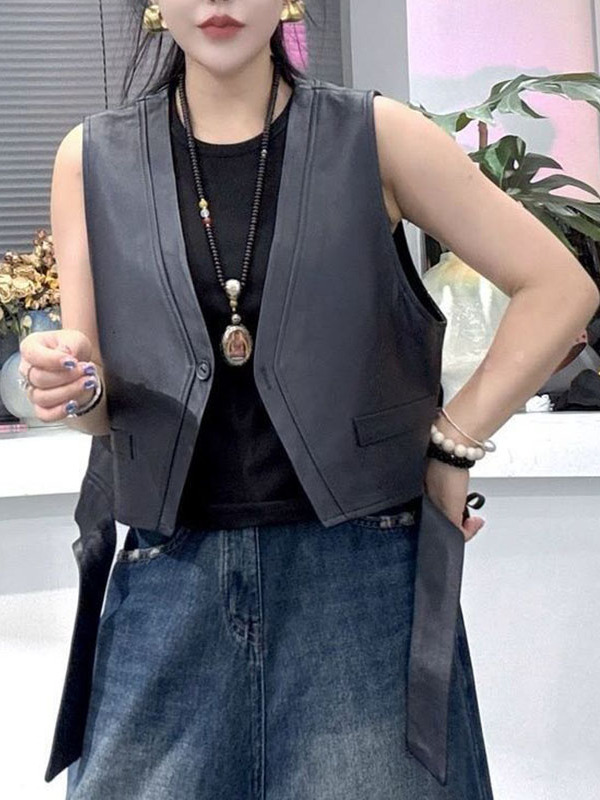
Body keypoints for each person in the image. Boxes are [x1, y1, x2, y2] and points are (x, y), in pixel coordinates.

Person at [18, 2, 599, 798]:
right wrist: (70, 380)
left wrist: (452, 444)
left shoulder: (376, 137)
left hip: (360, 586)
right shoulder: (92, 159)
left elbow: (559, 287)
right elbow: (96, 402)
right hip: (167, 584)